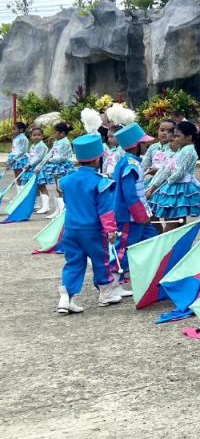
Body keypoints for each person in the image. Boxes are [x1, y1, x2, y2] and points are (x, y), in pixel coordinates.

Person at [55, 133, 122, 314]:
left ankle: (65, 298)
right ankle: (105, 294)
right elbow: (106, 210)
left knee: (73, 263)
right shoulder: (100, 182)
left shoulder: (66, 180)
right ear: (98, 158)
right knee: (101, 261)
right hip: (92, 230)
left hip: (70, 229)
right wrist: (111, 230)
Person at [111, 123, 158, 298]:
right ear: (136, 145)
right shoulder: (129, 164)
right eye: (143, 143)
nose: (146, 145)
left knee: (152, 243)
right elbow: (130, 194)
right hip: (131, 217)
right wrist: (141, 215)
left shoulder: (131, 162)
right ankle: (112, 284)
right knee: (122, 249)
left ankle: (147, 278)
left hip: (139, 215)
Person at [146, 120, 200, 228]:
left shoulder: (188, 151)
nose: (175, 139)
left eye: (178, 136)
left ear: (188, 137)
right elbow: (168, 168)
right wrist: (153, 186)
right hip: (173, 186)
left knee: (173, 221)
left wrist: (167, 181)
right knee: (173, 219)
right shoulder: (181, 150)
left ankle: (168, 243)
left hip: (179, 188)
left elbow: (180, 173)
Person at [37, 122, 74, 216]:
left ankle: (63, 211)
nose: (54, 134)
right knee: (58, 188)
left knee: (61, 188)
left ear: (62, 133)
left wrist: (50, 160)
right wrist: (42, 164)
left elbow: (62, 157)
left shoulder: (65, 142)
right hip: (56, 165)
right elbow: (51, 153)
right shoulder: (57, 142)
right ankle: (58, 210)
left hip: (62, 166)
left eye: (55, 132)